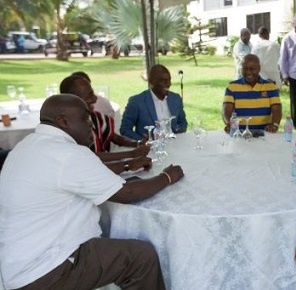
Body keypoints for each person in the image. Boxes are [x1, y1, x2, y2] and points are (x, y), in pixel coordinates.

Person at [0, 93, 184, 290]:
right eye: (86, 118)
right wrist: (167, 177)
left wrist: (128, 164)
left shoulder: (27, 145)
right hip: (46, 270)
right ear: (63, 121)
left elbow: (85, 171)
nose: (92, 124)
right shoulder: (67, 155)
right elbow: (127, 194)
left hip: (17, 263)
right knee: (140, 257)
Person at [60, 75, 151, 173]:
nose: (95, 99)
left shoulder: (96, 118)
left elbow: (116, 138)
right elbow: (89, 156)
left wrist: (137, 143)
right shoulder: (67, 129)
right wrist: (131, 155)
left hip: (107, 170)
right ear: (73, 101)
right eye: (89, 95)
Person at [120, 64, 188, 140]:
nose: (168, 84)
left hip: (173, 144)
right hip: (149, 148)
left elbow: (182, 122)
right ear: (151, 81)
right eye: (163, 81)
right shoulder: (137, 102)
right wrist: (143, 141)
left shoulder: (176, 99)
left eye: (169, 80)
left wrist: (179, 132)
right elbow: (125, 129)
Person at [223, 54, 282, 133]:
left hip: (265, 132)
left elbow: (277, 110)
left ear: (259, 68)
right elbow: (226, 109)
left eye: (252, 69)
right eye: (245, 68)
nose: (248, 72)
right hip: (239, 132)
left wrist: (274, 125)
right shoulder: (232, 87)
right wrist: (229, 123)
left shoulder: (271, 87)